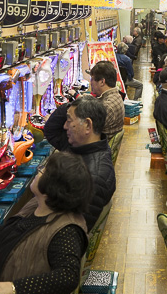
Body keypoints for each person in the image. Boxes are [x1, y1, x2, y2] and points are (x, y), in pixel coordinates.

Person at [0, 151, 94, 294]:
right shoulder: (40, 205)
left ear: (52, 188)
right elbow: (13, 232)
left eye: (43, 170)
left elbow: (67, 276)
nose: (38, 170)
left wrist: (15, 289)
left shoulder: (67, 230)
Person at [43, 96, 116, 231]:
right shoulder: (81, 145)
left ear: (87, 125)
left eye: (69, 120)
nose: (64, 126)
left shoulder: (93, 177)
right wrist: (73, 105)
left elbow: (73, 230)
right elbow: (50, 130)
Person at [88, 61, 124, 140]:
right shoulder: (116, 96)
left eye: (92, 79)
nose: (90, 83)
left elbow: (88, 130)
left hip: (98, 148)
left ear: (102, 82)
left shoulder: (106, 106)